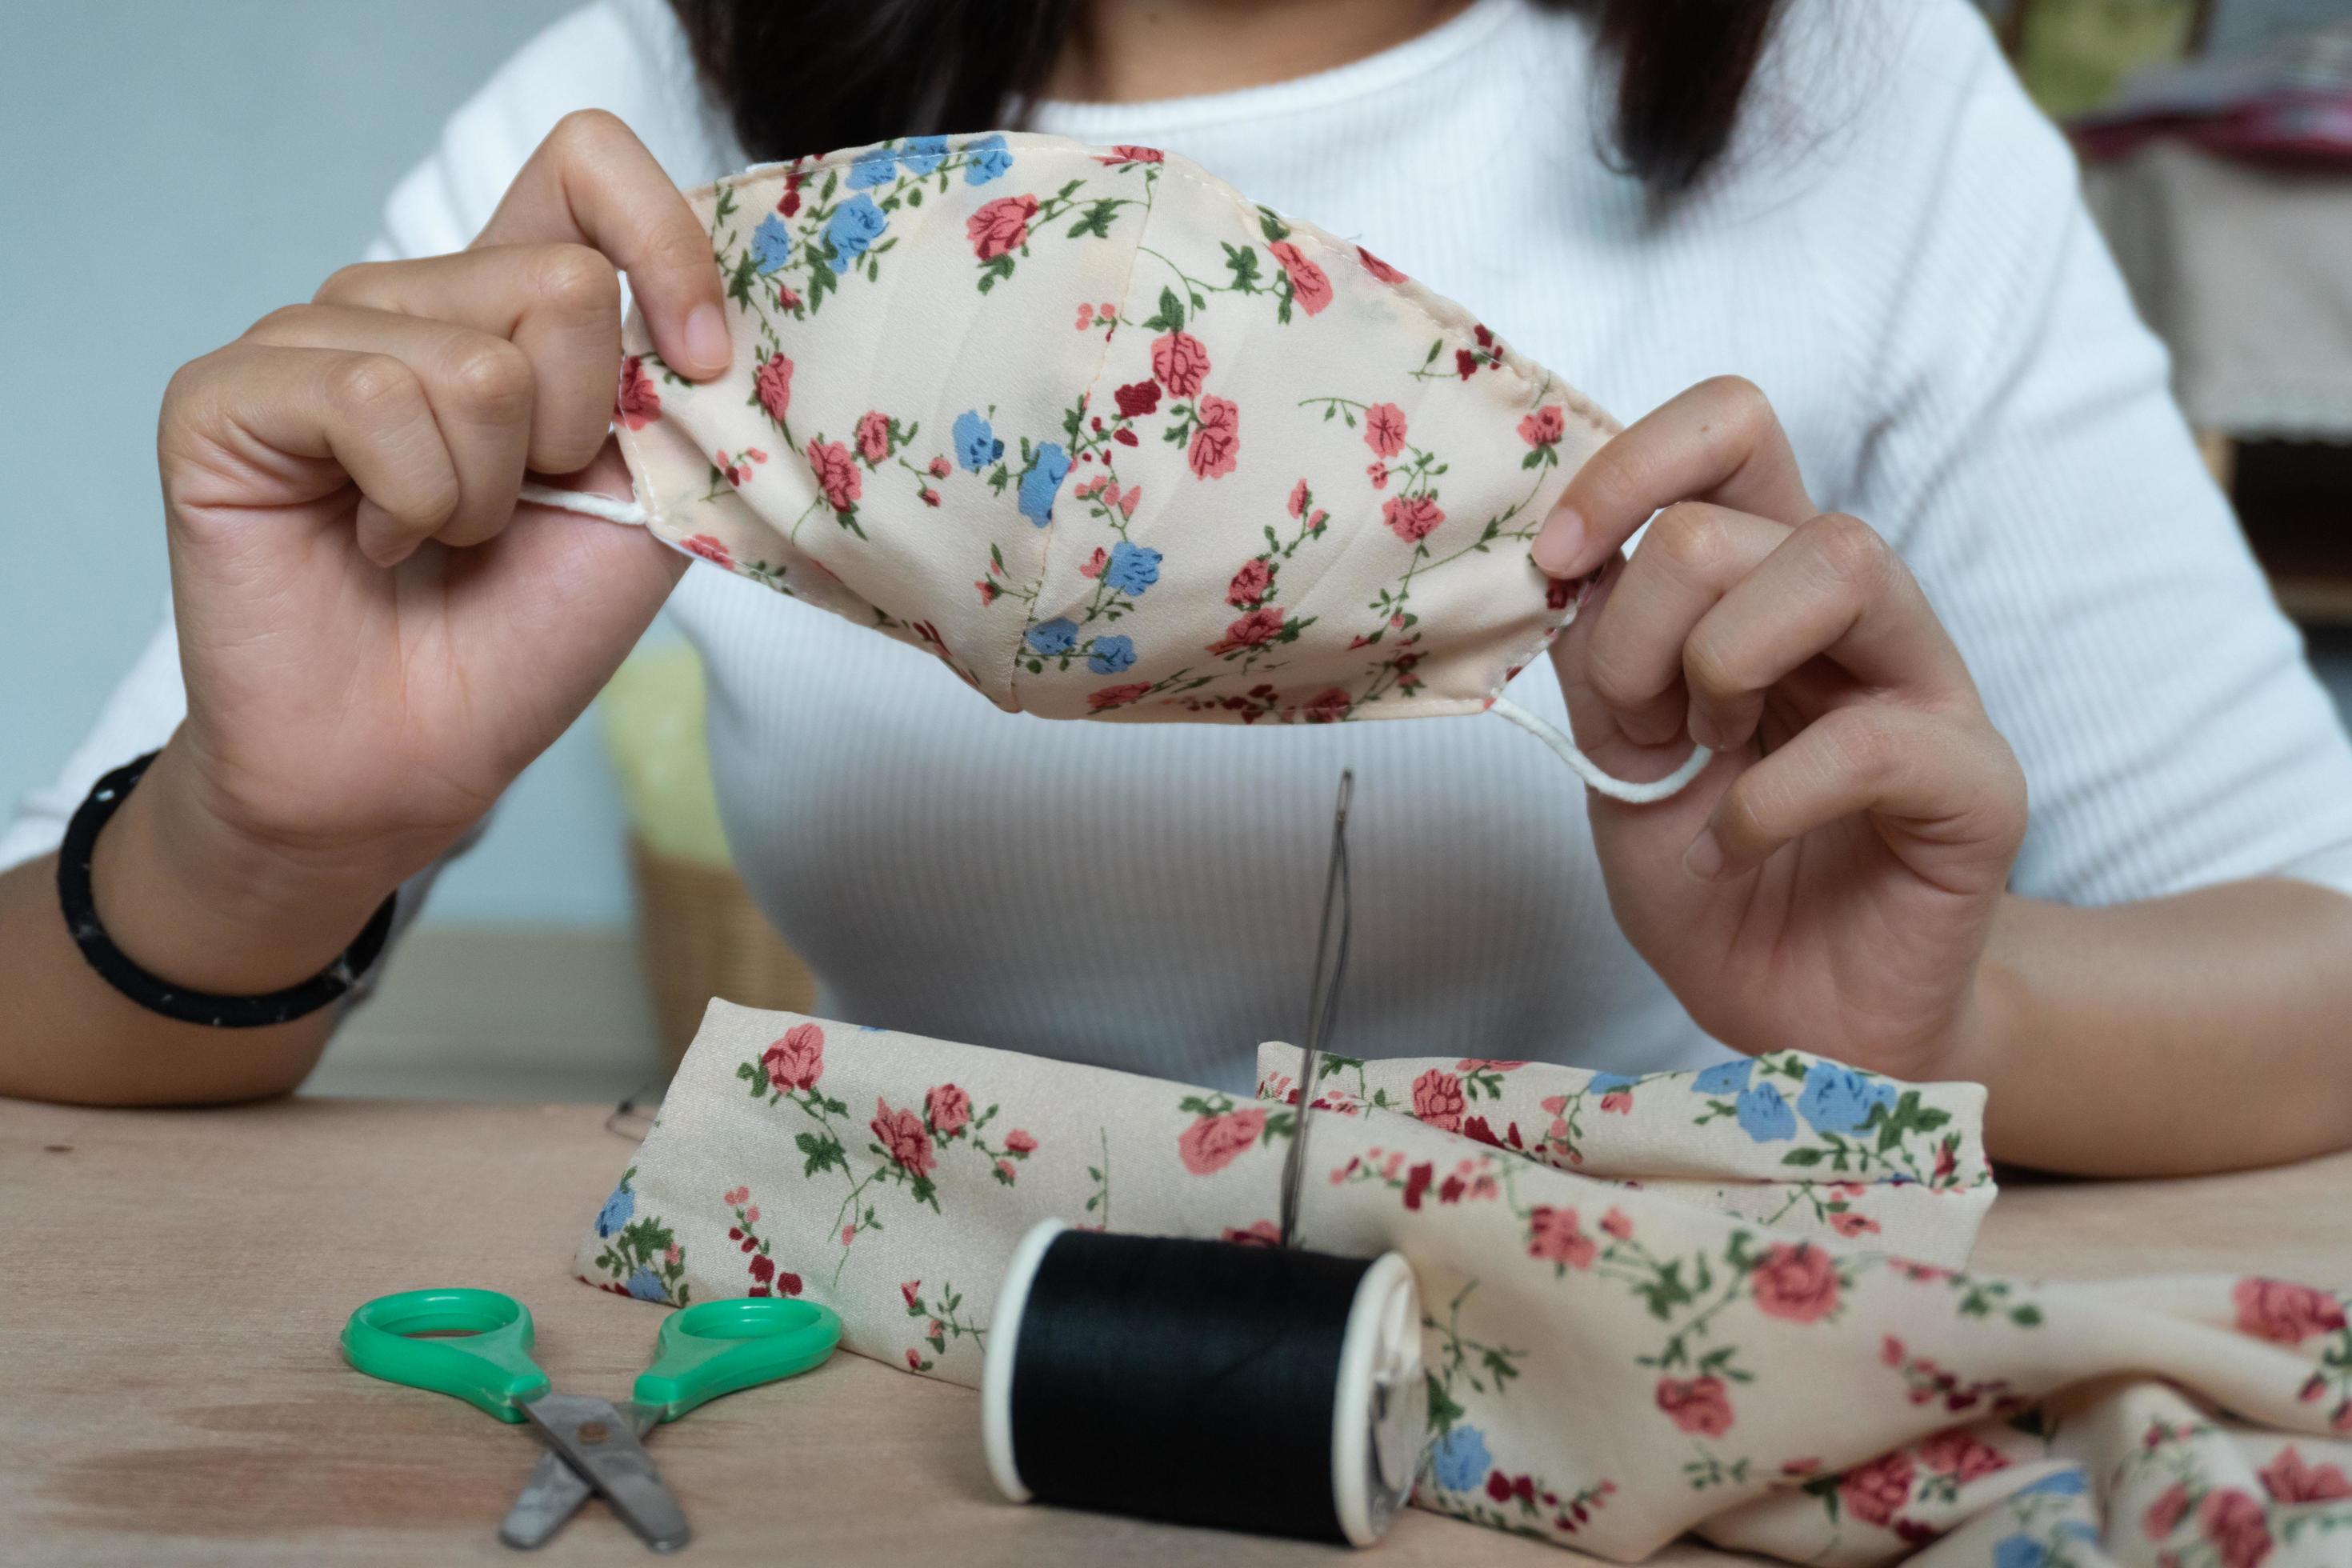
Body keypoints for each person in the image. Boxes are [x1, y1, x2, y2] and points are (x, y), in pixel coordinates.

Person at [5, 0, 2350, 1176]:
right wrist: (268, 835)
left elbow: (2317, 948)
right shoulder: (637, 143)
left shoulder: (1858, 91)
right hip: (874, 1433)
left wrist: (1936, 1035)